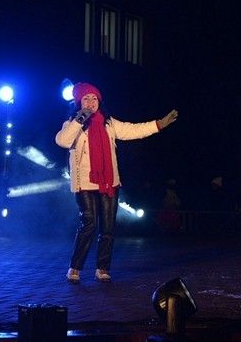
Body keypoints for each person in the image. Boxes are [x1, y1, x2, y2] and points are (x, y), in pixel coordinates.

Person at [55, 82, 178, 283]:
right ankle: (75, 268)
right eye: (86, 98)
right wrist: (80, 119)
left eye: (94, 98)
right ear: (78, 102)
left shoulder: (109, 123)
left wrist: (158, 124)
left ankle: (102, 268)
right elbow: (63, 141)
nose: (91, 102)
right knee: (89, 224)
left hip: (109, 182)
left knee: (108, 227)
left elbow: (132, 130)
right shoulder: (72, 123)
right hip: (85, 182)